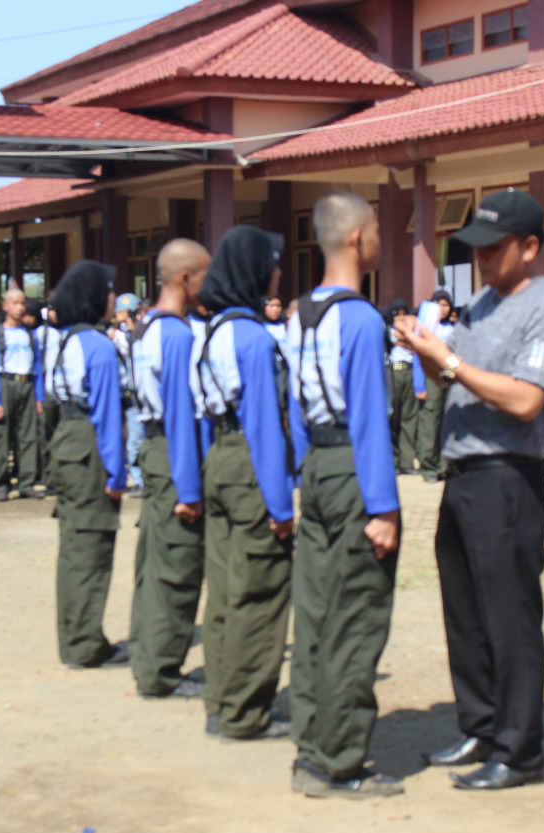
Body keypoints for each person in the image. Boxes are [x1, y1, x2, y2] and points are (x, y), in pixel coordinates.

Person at [395, 188, 544, 791]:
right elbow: (448, 378)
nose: (482, 260)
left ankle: (520, 751)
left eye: (494, 249)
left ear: (530, 248)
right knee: (465, 614)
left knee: (510, 617)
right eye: (476, 250)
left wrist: (447, 361)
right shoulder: (480, 305)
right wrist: (424, 348)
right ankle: (481, 725)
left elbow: (526, 399)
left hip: (507, 477)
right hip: (462, 472)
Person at [286, 191, 402, 798]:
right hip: (355, 468)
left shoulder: (299, 314)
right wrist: (383, 506)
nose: (381, 238)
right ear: (357, 238)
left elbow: (295, 410)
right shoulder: (360, 318)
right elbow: (369, 419)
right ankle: (341, 761)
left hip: (316, 465)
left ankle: (310, 746)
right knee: (357, 613)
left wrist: (305, 474)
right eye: (377, 228)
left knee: (315, 610)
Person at [195, 227, 295, 740]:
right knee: (260, 587)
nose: (277, 272)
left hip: (220, 457)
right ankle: (245, 712)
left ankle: (220, 699)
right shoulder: (254, 337)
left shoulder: (212, 331)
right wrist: (280, 505)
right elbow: (264, 424)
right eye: (271, 262)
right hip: (250, 461)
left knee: (224, 588)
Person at [126, 239, 209, 699]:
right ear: (185, 277)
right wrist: (190, 489)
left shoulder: (145, 328)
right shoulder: (177, 334)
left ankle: (147, 655)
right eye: (204, 275)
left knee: (153, 560)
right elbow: (180, 411)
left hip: (153, 448)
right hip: (175, 449)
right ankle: (161, 669)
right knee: (176, 563)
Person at [47, 260, 129, 669]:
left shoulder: (64, 340)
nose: (112, 296)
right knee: (91, 546)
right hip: (90, 442)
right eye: (108, 289)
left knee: (73, 546)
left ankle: (73, 635)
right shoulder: (99, 345)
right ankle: (84, 643)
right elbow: (108, 414)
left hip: (66, 437)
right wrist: (116, 472)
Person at [0, 289, 43, 500]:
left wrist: (39, 396)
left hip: (26, 384)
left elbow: (37, 366)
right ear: (6, 307)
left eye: (22, 304)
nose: (20, 308)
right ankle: (1, 483)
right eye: (15, 303)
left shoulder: (30, 334)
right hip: (6, 384)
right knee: (3, 436)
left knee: (28, 436)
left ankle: (26, 482)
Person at [412, 289, 455, 483]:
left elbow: (456, 356)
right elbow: (418, 356)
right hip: (430, 376)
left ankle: (444, 464)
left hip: (449, 376)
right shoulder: (427, 328)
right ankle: (429, 465)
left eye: (446, 305)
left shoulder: (453, 329)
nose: (443, 309)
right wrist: (419, 385)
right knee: (430, 421)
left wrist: (452, 376)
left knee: (448, 421)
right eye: (439, 304)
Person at [112, 292, 146, 494]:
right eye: (123, 312)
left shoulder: (144, 332)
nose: (127, 317)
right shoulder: (113, 334)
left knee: (137, 437)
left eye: (130, 312)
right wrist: (116, 326)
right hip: (120, 392)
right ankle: (123, 477)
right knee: (120, 438)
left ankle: (141, 479)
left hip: (138, 393)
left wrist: (136, 330)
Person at [386, 298, 418, 474]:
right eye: (397, 315)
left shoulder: (414, 332)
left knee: (409, 416)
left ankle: (407, 461)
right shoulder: (389, 331)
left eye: (404, 314)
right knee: (393, 415)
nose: (401, 318)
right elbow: (400, 341)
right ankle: (393, 460)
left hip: (410, 371)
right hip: (394, 372)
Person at [35, 299, 62, 492]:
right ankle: (48, 475)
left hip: (66, 391)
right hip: (47, 389)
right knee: (46, 433)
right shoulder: (41, 334)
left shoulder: (69, 332)